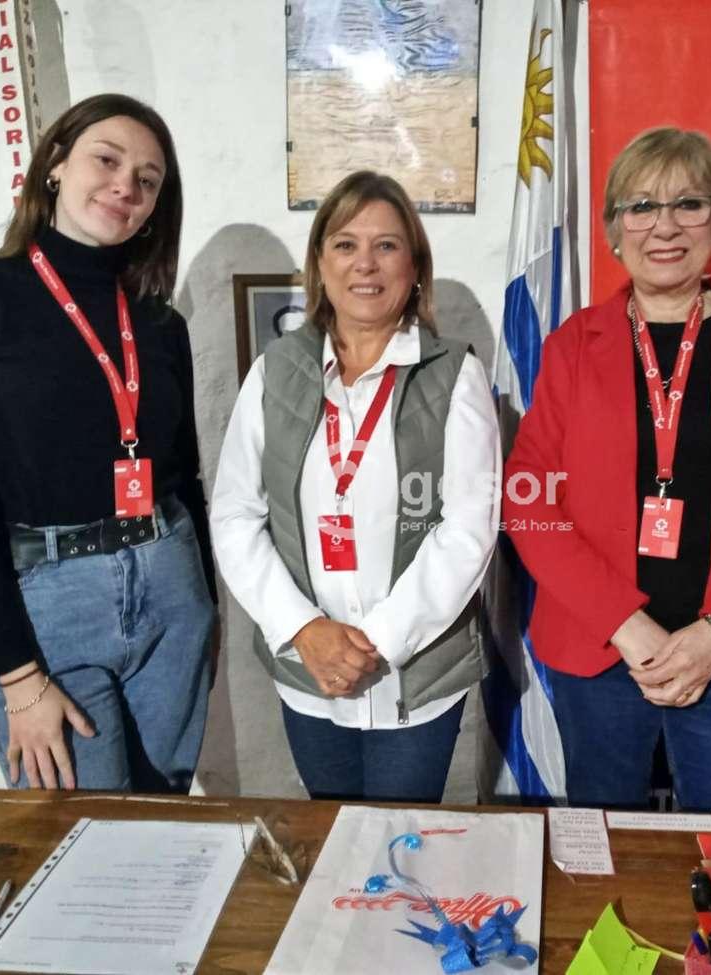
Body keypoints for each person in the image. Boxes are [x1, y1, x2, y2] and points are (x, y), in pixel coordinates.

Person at [503, 127, 711, 811]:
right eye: (641, 206)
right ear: (613, 230)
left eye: (688, 203)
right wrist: (625, 623)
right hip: (601, 653)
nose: (664, 226)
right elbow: (529, 499)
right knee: (605, 838)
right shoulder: (574, 347)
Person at [0, 93, 217, 793]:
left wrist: (206, 607)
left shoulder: (159, 323)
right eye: (107, 160)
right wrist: (18, 676)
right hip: (47, 606)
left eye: (148, 180)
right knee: (80, 838)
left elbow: (183, 477)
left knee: (163, 820)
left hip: (170, 591)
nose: (125, 186)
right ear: (54, 164)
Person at [210, 170, 500, 802]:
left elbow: (468, 530)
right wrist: (303, 630)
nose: (365, 263)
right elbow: (234, 515)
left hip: (414, 677)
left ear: (414, 266)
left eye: (386, 245)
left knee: (401, 834)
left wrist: (379, 643)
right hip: (307, 671)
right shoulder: (275, 372)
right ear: (320, 263)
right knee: (331, 828)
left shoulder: (454, 374)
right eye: (345, 244)